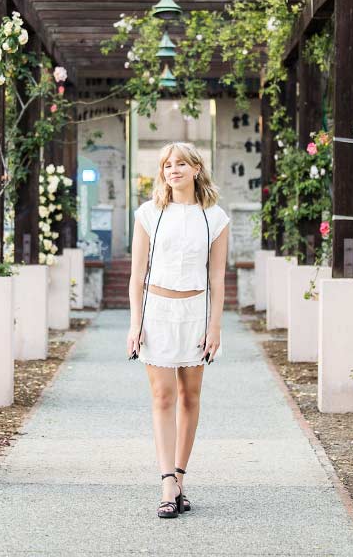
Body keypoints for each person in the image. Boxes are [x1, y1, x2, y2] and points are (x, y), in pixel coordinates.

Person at [125, 141, 229, 519]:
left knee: (190, 396)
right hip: (157, 312)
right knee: (162, 396)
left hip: (195, 312)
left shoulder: (214, 218)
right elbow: (137, 276)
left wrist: (214, 325)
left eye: (181, 164)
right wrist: (135, 323)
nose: (174, 170)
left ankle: (181, 478)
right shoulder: (148, 214)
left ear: (196, 169)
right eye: (168, 165)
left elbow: (217, 278)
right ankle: (166, 481)